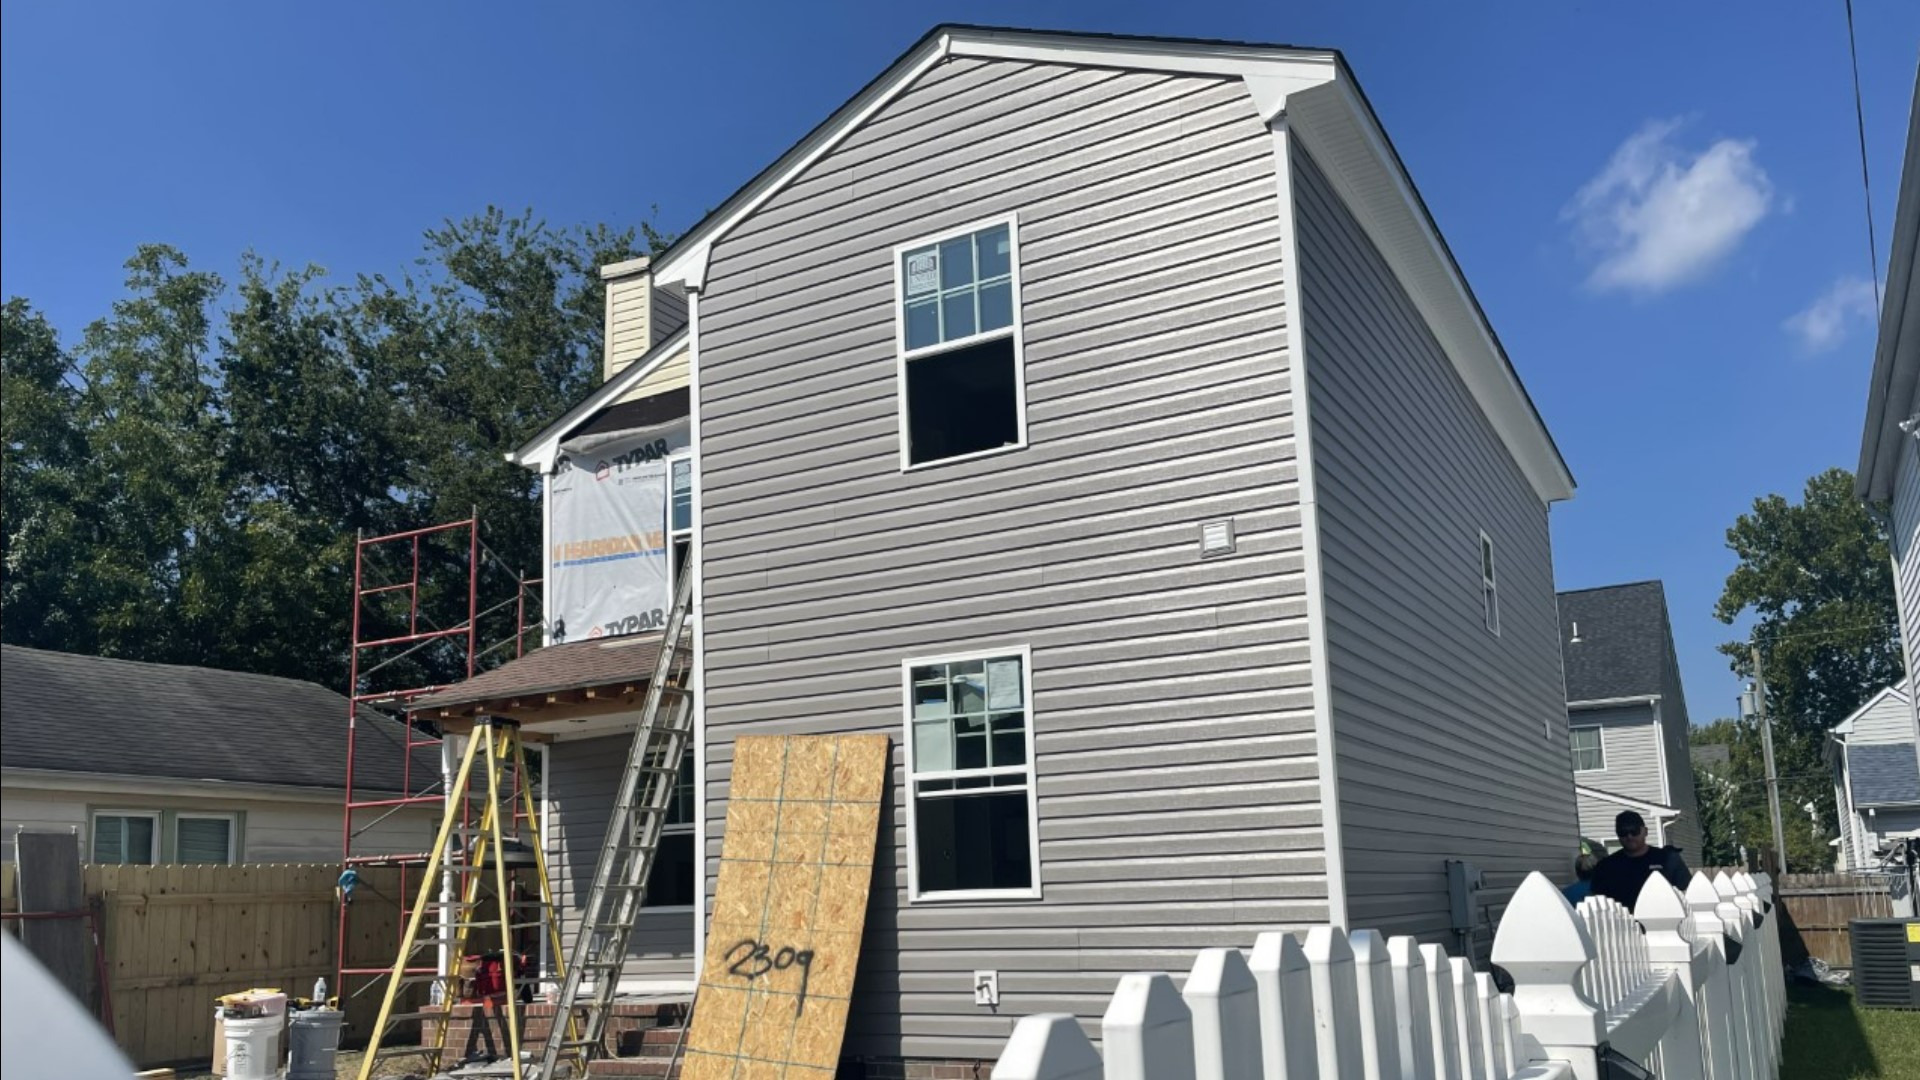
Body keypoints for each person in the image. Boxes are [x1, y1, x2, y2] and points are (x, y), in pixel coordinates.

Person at [1589, 810, 1691, 907]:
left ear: (1645, 831)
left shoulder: (1668, 859)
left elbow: (1687, 893)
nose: (1629, 836)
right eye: (1623, 832)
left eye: (1634, 831)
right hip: (1620, 923)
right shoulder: (1606, 867)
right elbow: (1598, 903)